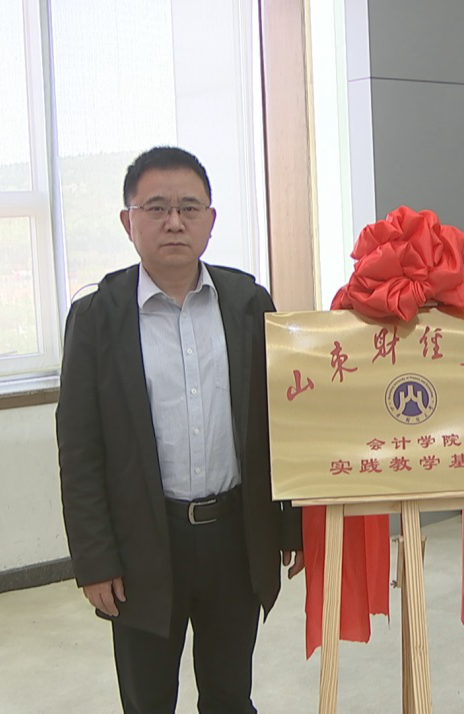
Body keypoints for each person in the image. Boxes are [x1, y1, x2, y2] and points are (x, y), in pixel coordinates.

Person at [57, 146, 303, 714]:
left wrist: (291, 526)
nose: (174, 222)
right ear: (129, 222)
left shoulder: (249, 303)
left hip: (234, 536)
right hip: (143, 542)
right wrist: (95, 560)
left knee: (229, 696)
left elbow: (282, 422)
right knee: (148, 702)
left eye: (189, 208)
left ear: (210, 221)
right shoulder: (97, 318)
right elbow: (80, 450)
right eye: (157, 208)